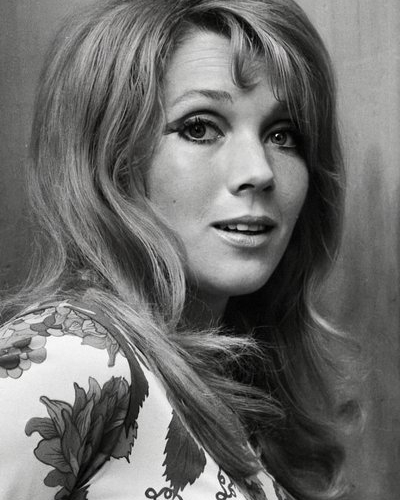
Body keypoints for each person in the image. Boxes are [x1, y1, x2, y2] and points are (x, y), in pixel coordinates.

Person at [0, 0, 350, 498]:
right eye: (200, 127)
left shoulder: (235, 389)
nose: (259, 171)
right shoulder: (66, 357)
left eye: (282, 134)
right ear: (111, 161)